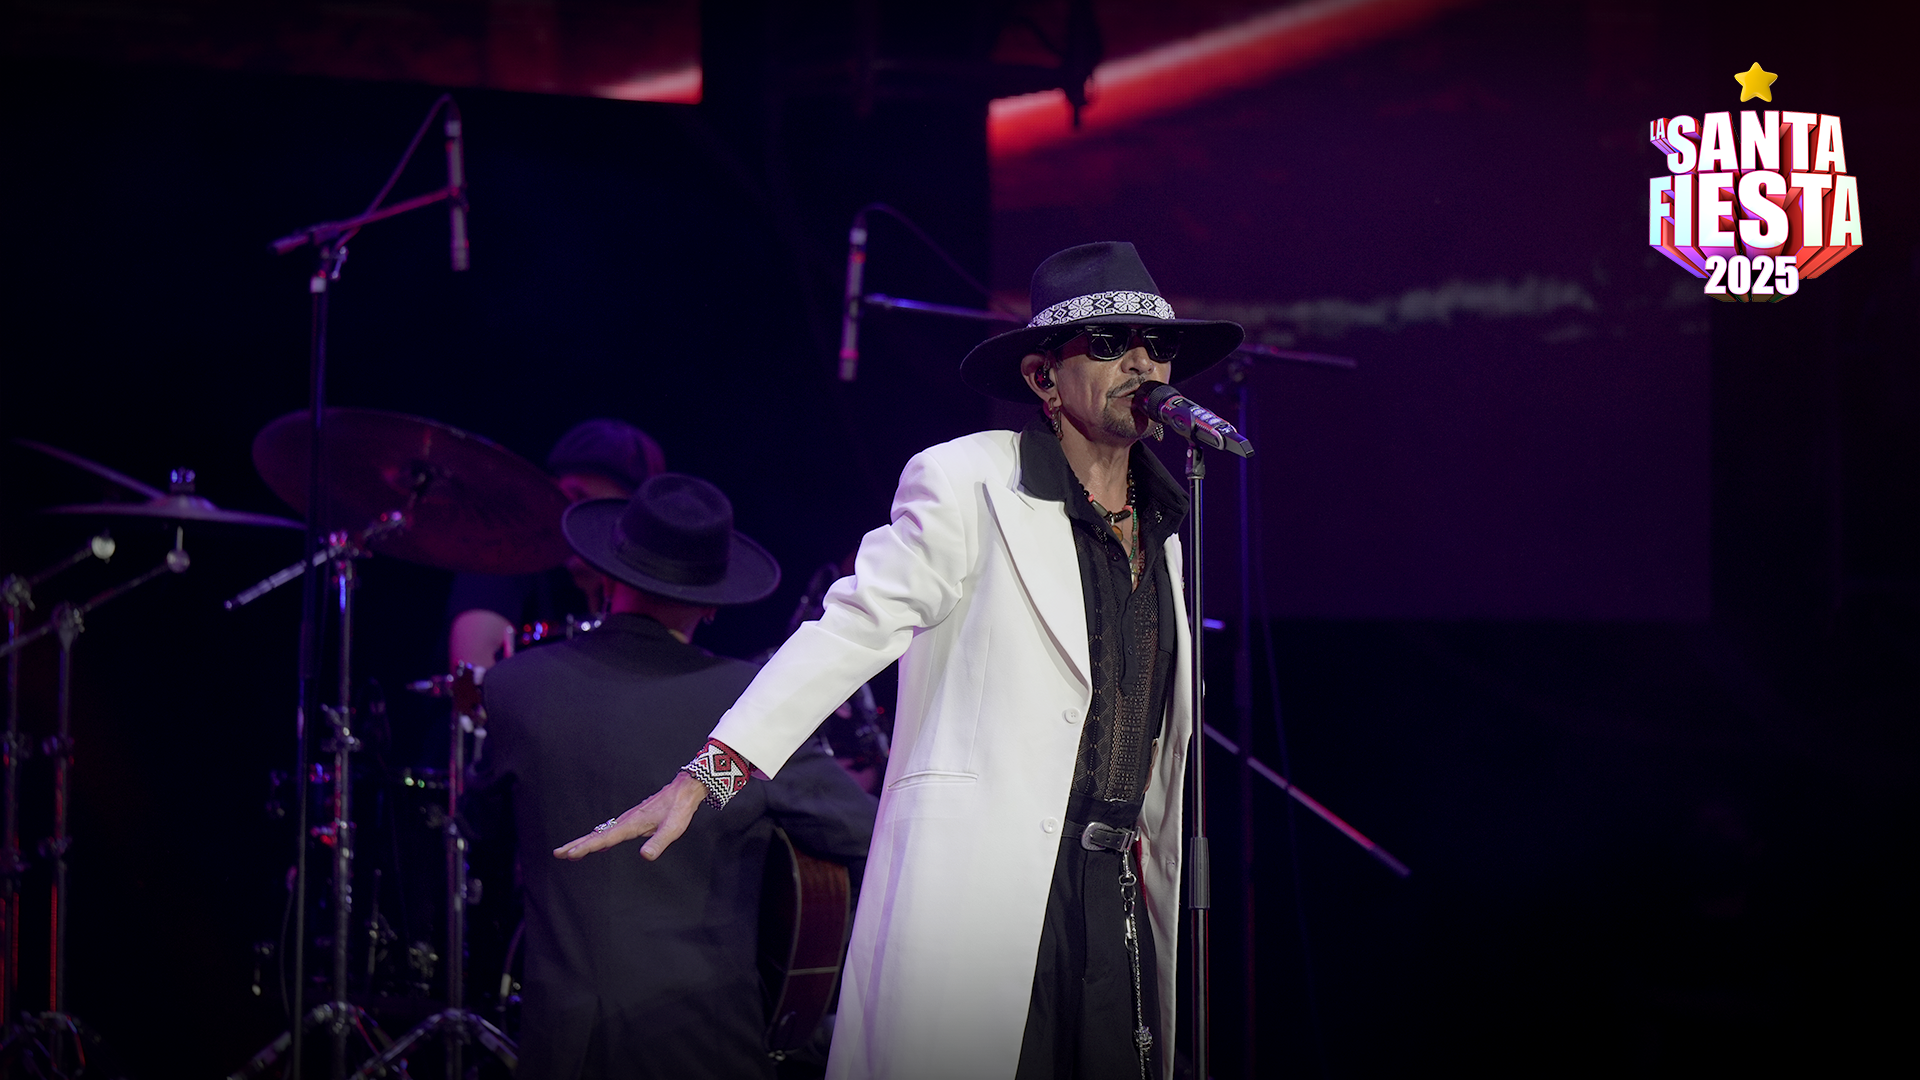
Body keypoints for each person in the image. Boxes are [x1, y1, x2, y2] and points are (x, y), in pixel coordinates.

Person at [556, 242, 1244, 1080]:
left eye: (1157, 345)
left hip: (1115, 900)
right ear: (1042, 377)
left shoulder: (1168, 535)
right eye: (1108, 343)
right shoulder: (967, 483)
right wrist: (710, 773)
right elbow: (852, 625)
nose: (1142, 363)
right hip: (986, 889)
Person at [469, 473, 878, 1078]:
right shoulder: (754, 704)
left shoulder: (513, 687)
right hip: (705, 1046)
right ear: (713, 604)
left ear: (607, 575)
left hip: (560, 1046)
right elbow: (872, 836)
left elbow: (481, 833)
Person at [446, 418, 667, 670]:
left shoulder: (627, 593)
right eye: (577, 498)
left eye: (605, 511)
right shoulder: (506, 557)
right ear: (549, 489)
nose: (585, 521)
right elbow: (474, 670)